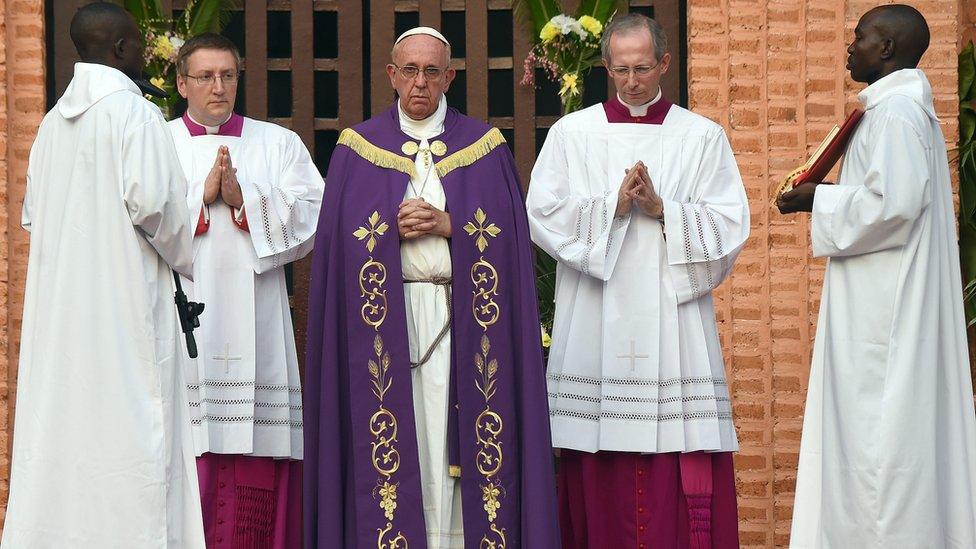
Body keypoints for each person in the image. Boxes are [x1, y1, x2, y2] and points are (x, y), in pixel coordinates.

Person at [303, 26, 560, 548]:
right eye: (410, 71)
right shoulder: (357, 150)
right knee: (404, 438)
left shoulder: (485, 149)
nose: (420, 83)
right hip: (387, 325)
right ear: (392, 76)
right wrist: (384, 232)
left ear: (450, 77)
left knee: (458, 447)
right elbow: (334, 248)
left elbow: (512, 244)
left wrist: (451, 225)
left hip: (464, 323)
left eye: (432, 72)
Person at [527, 13, 748, 549]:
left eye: (643, 68)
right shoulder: (571, 134)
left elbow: (729, 223)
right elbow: (542, 212)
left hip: (673, 323)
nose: (632, 81)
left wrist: (661, 208)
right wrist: (613, 207)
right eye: (621, 69)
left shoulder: (701, 136)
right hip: (595, 318)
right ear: (606, 66)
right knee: (594, 456)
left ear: (665, 64)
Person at [1, 3, 205, 547]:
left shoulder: (48, 126)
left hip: (63, 320)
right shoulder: (133, 115)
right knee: (135, 431)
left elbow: (31, 216)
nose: (144, 53)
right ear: (119, 51)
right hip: (124, 312)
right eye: (138, 44)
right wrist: (187, 247)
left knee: (68, 433)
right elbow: (159, 211)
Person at [778, 5, 976, 546]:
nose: (851, 45)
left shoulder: (896, 116)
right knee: (874, 441)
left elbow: (894, 206)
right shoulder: (897, 111)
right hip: (879, 296)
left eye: (859, 36)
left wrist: (816, 198)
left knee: (879, 443)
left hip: (885, 316)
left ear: (887, 48)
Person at [166, 33, 324, 548]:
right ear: (181, 82)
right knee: (189, 448)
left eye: (228, 76)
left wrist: (245, 200)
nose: (218, 87)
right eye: (206, 76)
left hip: (256, 317)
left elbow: (311, 216)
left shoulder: (276, 144)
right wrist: (199, 197)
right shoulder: (158, 143)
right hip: (182, 323)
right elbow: (133, 223)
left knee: (256, 446)